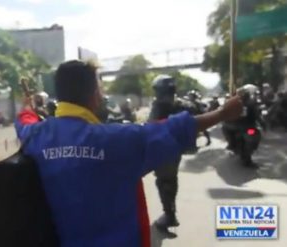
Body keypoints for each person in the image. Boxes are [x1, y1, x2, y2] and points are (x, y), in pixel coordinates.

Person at [15, 60, 243, 247]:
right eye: (100, 89)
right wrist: (223, 112)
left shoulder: (36, 135)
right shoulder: (118, 140)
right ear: (94, 95)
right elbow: (175, 129)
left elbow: (23, 122)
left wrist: (27, 109)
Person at [148, 75, 197, 232]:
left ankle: (169, 215)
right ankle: (170, 213)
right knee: (170, 180)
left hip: (163, 150)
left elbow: (151, 126)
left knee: (164, 182)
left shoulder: (159, 106)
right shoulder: (181, 104)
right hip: (175, 150)